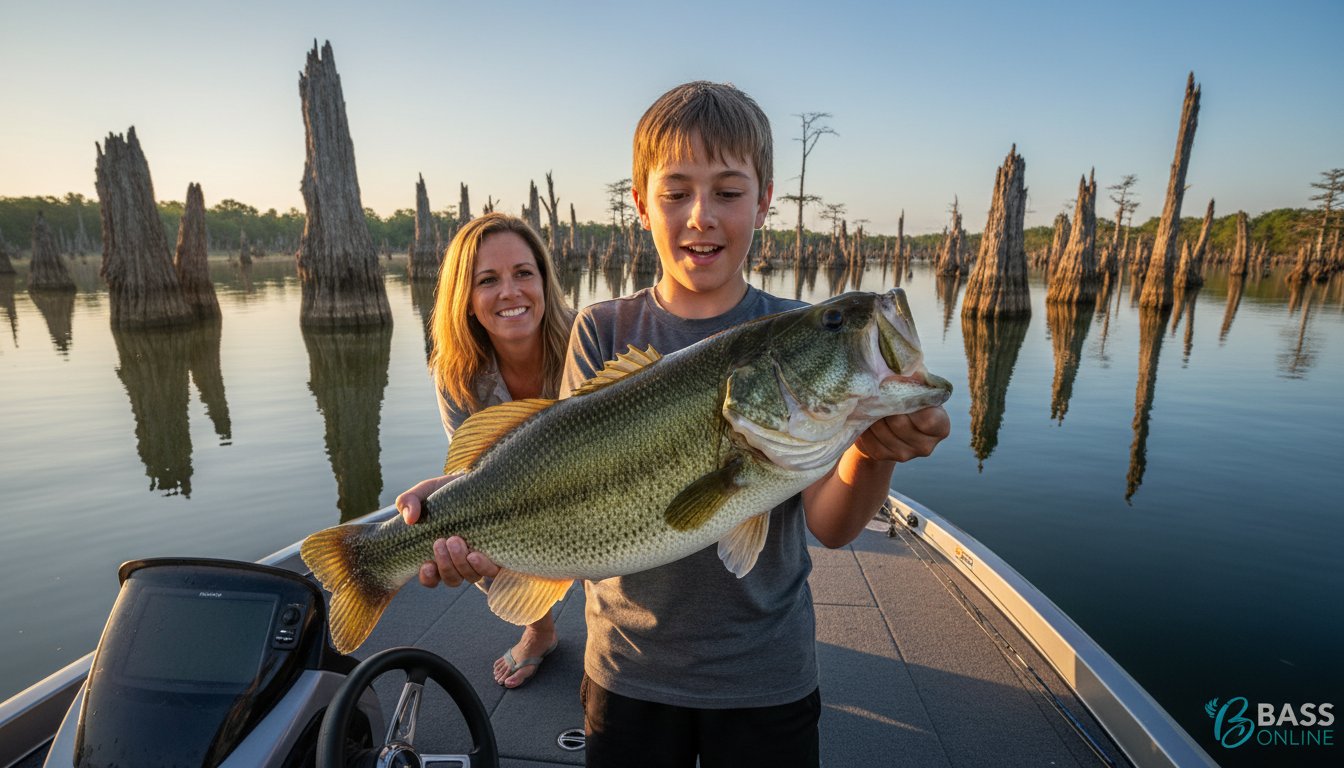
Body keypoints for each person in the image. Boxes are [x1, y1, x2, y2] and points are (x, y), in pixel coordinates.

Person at [403, 82, 950, 767]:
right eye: (677, 192)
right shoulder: (602, 330)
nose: (702, 216)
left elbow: (833, 528)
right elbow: (553, 471)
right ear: (641, 203)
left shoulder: (780, 332)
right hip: (626, 673)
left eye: (727, 191)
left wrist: (873, 452)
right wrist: (464, 503)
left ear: (764, 199)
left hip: (768, 675)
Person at [402, 212, 575, 688]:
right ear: (467, 300)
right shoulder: (455, 375)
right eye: (488, 280)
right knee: (465, 528)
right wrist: (448, 495)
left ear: (544, 280)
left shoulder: (589, 341)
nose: (510, 292)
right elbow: (472, 475)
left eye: (524, 273)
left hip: (597, 488)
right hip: (515, 502)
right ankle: (539, 629)